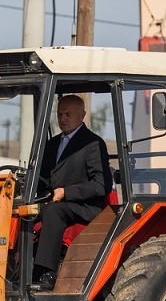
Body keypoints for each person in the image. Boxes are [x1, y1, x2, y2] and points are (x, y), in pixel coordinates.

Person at [32, 95, 111, 289]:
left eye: (68, 114)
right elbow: (41, 179)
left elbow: (102, 184)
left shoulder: (92, 144)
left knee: (53, 212)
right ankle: (17, 267)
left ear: (82, 115)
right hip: (53, 201)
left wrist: (66, 192)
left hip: (83, 206)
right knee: (22, 213)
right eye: (59, 114)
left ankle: (46, 273)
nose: (62, 119)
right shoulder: (51, 145)